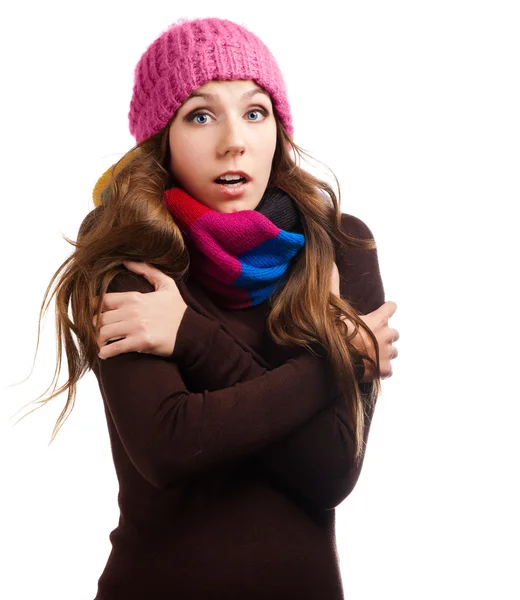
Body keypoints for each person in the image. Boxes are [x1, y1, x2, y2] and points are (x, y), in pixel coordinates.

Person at [32, 17, 399, 599]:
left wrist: (188, 336)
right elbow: (170, 446)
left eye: (256, 112)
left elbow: (328, 471)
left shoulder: (340, 245)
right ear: (163, 137)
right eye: (200, 115)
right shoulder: (129, 253)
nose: (235, 140)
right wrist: (339, 361)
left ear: (278, 128)